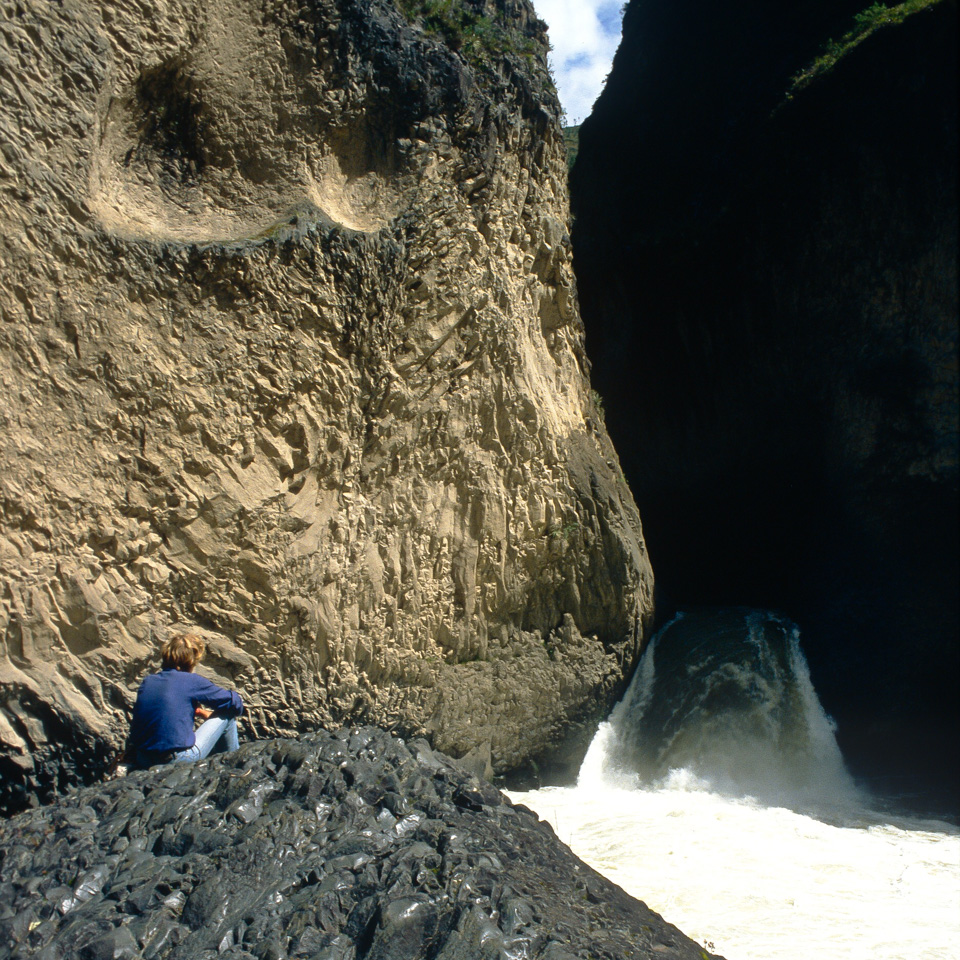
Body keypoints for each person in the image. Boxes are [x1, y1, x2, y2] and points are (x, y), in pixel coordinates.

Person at [127, 633, 244, 769]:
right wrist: (213, 711)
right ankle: (233, 767)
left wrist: (198, 711)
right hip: (176, 759)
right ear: (192, 660)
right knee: (228, 715)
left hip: (143, 759)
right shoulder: (191, 681)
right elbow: (234, 703)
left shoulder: (148, 682)